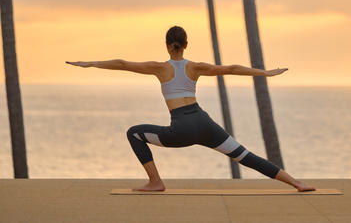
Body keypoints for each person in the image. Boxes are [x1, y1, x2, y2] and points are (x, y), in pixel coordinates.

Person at [66, 25, 315, 193]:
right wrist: (265, 72)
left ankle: (155, 182)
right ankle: (296, 182)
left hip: (182, 130)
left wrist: (90, 63)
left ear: (167, 45)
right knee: (246, 157)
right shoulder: (195, 67)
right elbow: (231, 68)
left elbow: (122, 63)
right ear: (186, 44)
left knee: (134, 133)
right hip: (205, 125)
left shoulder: (159, 68)